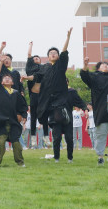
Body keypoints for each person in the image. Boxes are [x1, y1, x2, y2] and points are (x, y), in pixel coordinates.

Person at [36, 29, 91, 163]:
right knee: (56, 138)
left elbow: (80, 102)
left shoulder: (69, 89)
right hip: (54, 114)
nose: (53, 54)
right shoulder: (46, 70)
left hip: (67, 116)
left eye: (55, 53)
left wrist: (67, 38)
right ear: (48, 57)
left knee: (70, 138)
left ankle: (70, 158)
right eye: (51, 53)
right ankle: (56, 158)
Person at [0, 57, 28, 168]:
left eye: (9, 78)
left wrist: (24, 116)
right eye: (4, 78)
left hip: (14, 121)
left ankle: (20, 162)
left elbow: (23, 107)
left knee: (16, 144)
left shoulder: (16, 93)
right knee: (0, 143)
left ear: (12, 82)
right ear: (1, 81)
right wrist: (0, 62)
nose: (6, 79)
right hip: (1, 121)